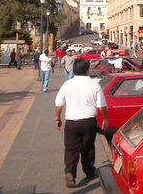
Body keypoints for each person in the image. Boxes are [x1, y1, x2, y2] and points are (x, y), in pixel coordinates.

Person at [54, 58, 108, 188]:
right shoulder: (94, 84)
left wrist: (57, 118)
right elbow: (102, 105)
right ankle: (89, 171)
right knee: (88, 147)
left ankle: (70, 173)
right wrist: (105, 119)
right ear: (87, 70)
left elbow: (58, 104)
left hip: (71, 122)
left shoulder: (67, 84)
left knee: (71, 149)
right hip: (88, 121)